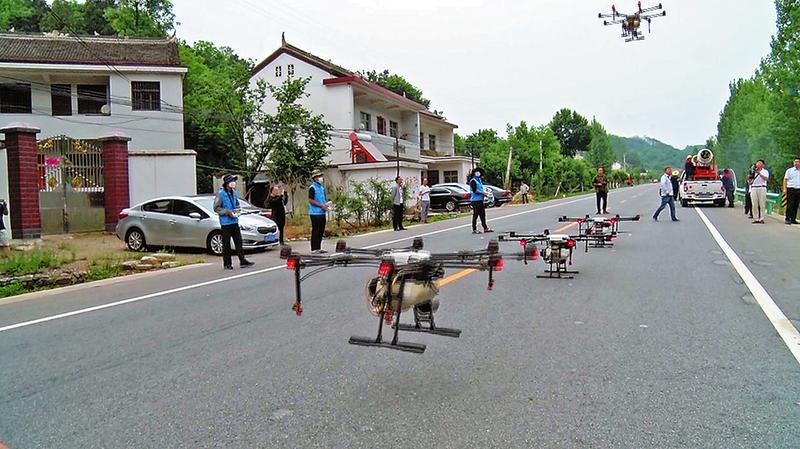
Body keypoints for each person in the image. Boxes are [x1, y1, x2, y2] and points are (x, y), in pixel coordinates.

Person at [213, 174, 254, 269]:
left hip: (235, 221)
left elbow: (237, 204)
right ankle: (227, 263)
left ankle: (242, 261)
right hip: (226, 222)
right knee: (226, 244)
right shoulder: (221, 193)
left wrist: (238, 210)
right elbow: (216, 208)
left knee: (239, 242)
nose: (233, 183)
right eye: (232, 181)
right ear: (227, 183)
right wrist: (227, 212)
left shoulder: (234, 193)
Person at [308, 170, 330, 252]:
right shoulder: (312, 188)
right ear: (315, 178)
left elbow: (323, 199)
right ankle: (314, 248)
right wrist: (321, 206)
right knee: (316, 231)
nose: (321, 178)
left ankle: (318, 247)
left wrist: (326, 205)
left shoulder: (321, 188)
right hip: (315, 213)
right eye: (319, 176)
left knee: (321, 231)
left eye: (321, 176)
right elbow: (311, 200)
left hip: (322, 212)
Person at [469, 167, 493, 234]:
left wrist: (485, 194)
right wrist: (483, 193)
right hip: (475, 200)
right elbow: (475, 191)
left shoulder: (479, 180)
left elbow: (481, 189)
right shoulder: (473, 181)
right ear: (474, 173)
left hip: (480, 200)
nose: (479, 173)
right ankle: (474, 229)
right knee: (475, 215)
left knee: (483, 215)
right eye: (477, 172)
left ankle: (485, 228)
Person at [750, 159, 769, 224]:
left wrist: (759, 173)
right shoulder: (753, 171)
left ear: (763, 165)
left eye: (760, 163)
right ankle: (756, 218)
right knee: (754, 204)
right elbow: (749, 181)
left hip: (762, 187)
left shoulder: (765, 171)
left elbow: (766, 179)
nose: (758, 164)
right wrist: (749, 178)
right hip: (754, 188)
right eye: (757, 163)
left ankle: (761, 218)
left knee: (762, 204)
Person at [783, 158, 800, 225]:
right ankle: (788, 218)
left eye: (797, 162)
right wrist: (784, 189)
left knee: (796, 204)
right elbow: (785, 180)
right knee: (790, 204)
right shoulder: (789, 170)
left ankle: (793, 219)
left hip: (798, 189)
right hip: (791, 188)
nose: (796, 163)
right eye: (795, 162)